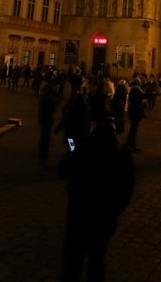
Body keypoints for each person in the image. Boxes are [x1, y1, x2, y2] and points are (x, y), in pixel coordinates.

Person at [59, 118, 134, 282]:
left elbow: (63, 171)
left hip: (79, 214)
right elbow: (127, 189)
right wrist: (116, 209)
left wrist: (70, 154)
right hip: (104, 218)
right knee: (97, 262)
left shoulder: (85, 147)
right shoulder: (122, 154)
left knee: (72, 263)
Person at [37, 82, 60, 167]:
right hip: (46, 121)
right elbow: (51, 107)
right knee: (45, 140)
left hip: (45, 121)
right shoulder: (46, 97)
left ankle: (42, 157)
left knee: (45, 139)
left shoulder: (44, 96)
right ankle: (43, 158)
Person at [124, 78, 146, 151]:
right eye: (139, 82)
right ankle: (130, 146)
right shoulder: (136, 89)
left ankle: (131, 145)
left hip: (133, 111)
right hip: (135, 111)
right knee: (133, 129)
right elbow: (143, 96)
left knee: (133, 129)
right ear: (137, 83)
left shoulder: (133, 89)